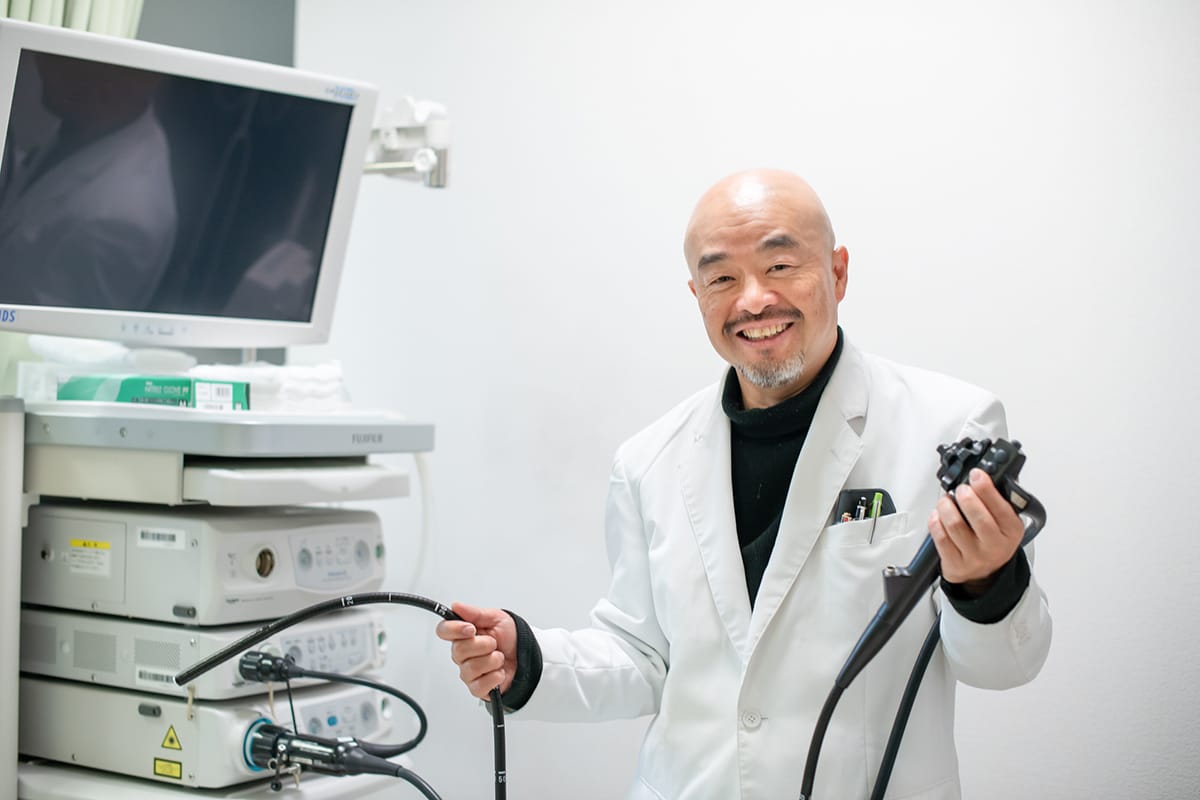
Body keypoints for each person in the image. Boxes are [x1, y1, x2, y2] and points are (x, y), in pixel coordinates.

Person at [436, 169, 1052, 799]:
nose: (753, 300)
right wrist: (530, 660)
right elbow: (643, 655)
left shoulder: (947, 426)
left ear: (838, 272)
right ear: (696, 294)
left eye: (780, 265)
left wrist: (985, 580)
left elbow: (1006, 664)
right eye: (722, 278)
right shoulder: (648, 460)